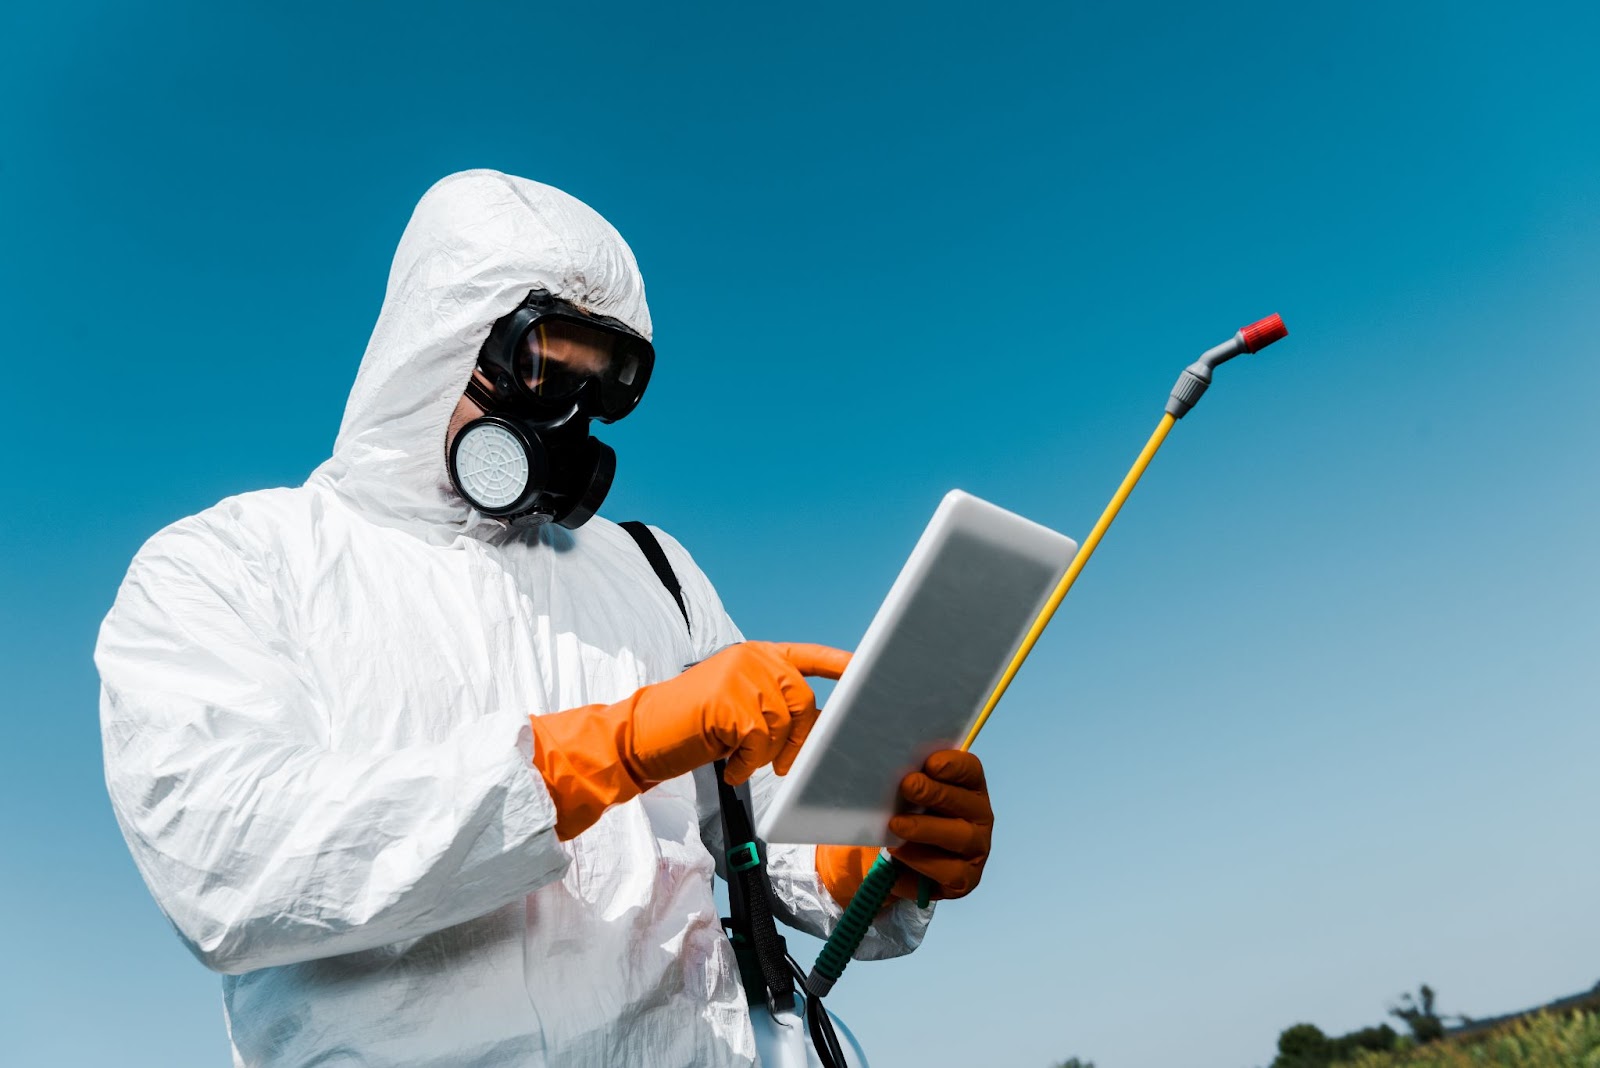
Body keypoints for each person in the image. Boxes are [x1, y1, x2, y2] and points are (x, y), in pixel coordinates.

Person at [96, 169, 995, 1068]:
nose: (562, 416)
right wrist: (611, 749)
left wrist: (883, 861)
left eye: (596, 386)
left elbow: (770, 849)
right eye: (542, 366)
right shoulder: (231, 568)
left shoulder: (656, 575)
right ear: (439, 338)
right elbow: (228, 869)